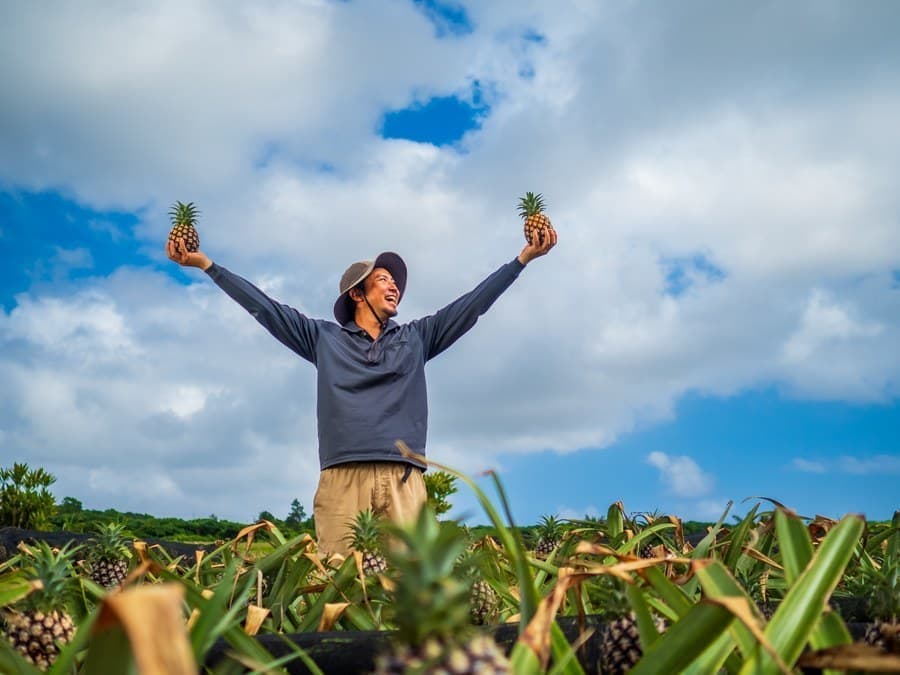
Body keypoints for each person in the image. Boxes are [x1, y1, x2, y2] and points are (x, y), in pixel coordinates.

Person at [167, 226, 557, 556]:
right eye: (383, 280)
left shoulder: (417, 337)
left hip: (404, 480)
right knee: (339, 583)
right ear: (357, 293)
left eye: (395, 282)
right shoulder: (322, 338)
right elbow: (266, 309)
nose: (394, 287)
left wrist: (520, 261)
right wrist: (207, 265)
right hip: (342, 477)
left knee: (412, 590)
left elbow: (473, 305)